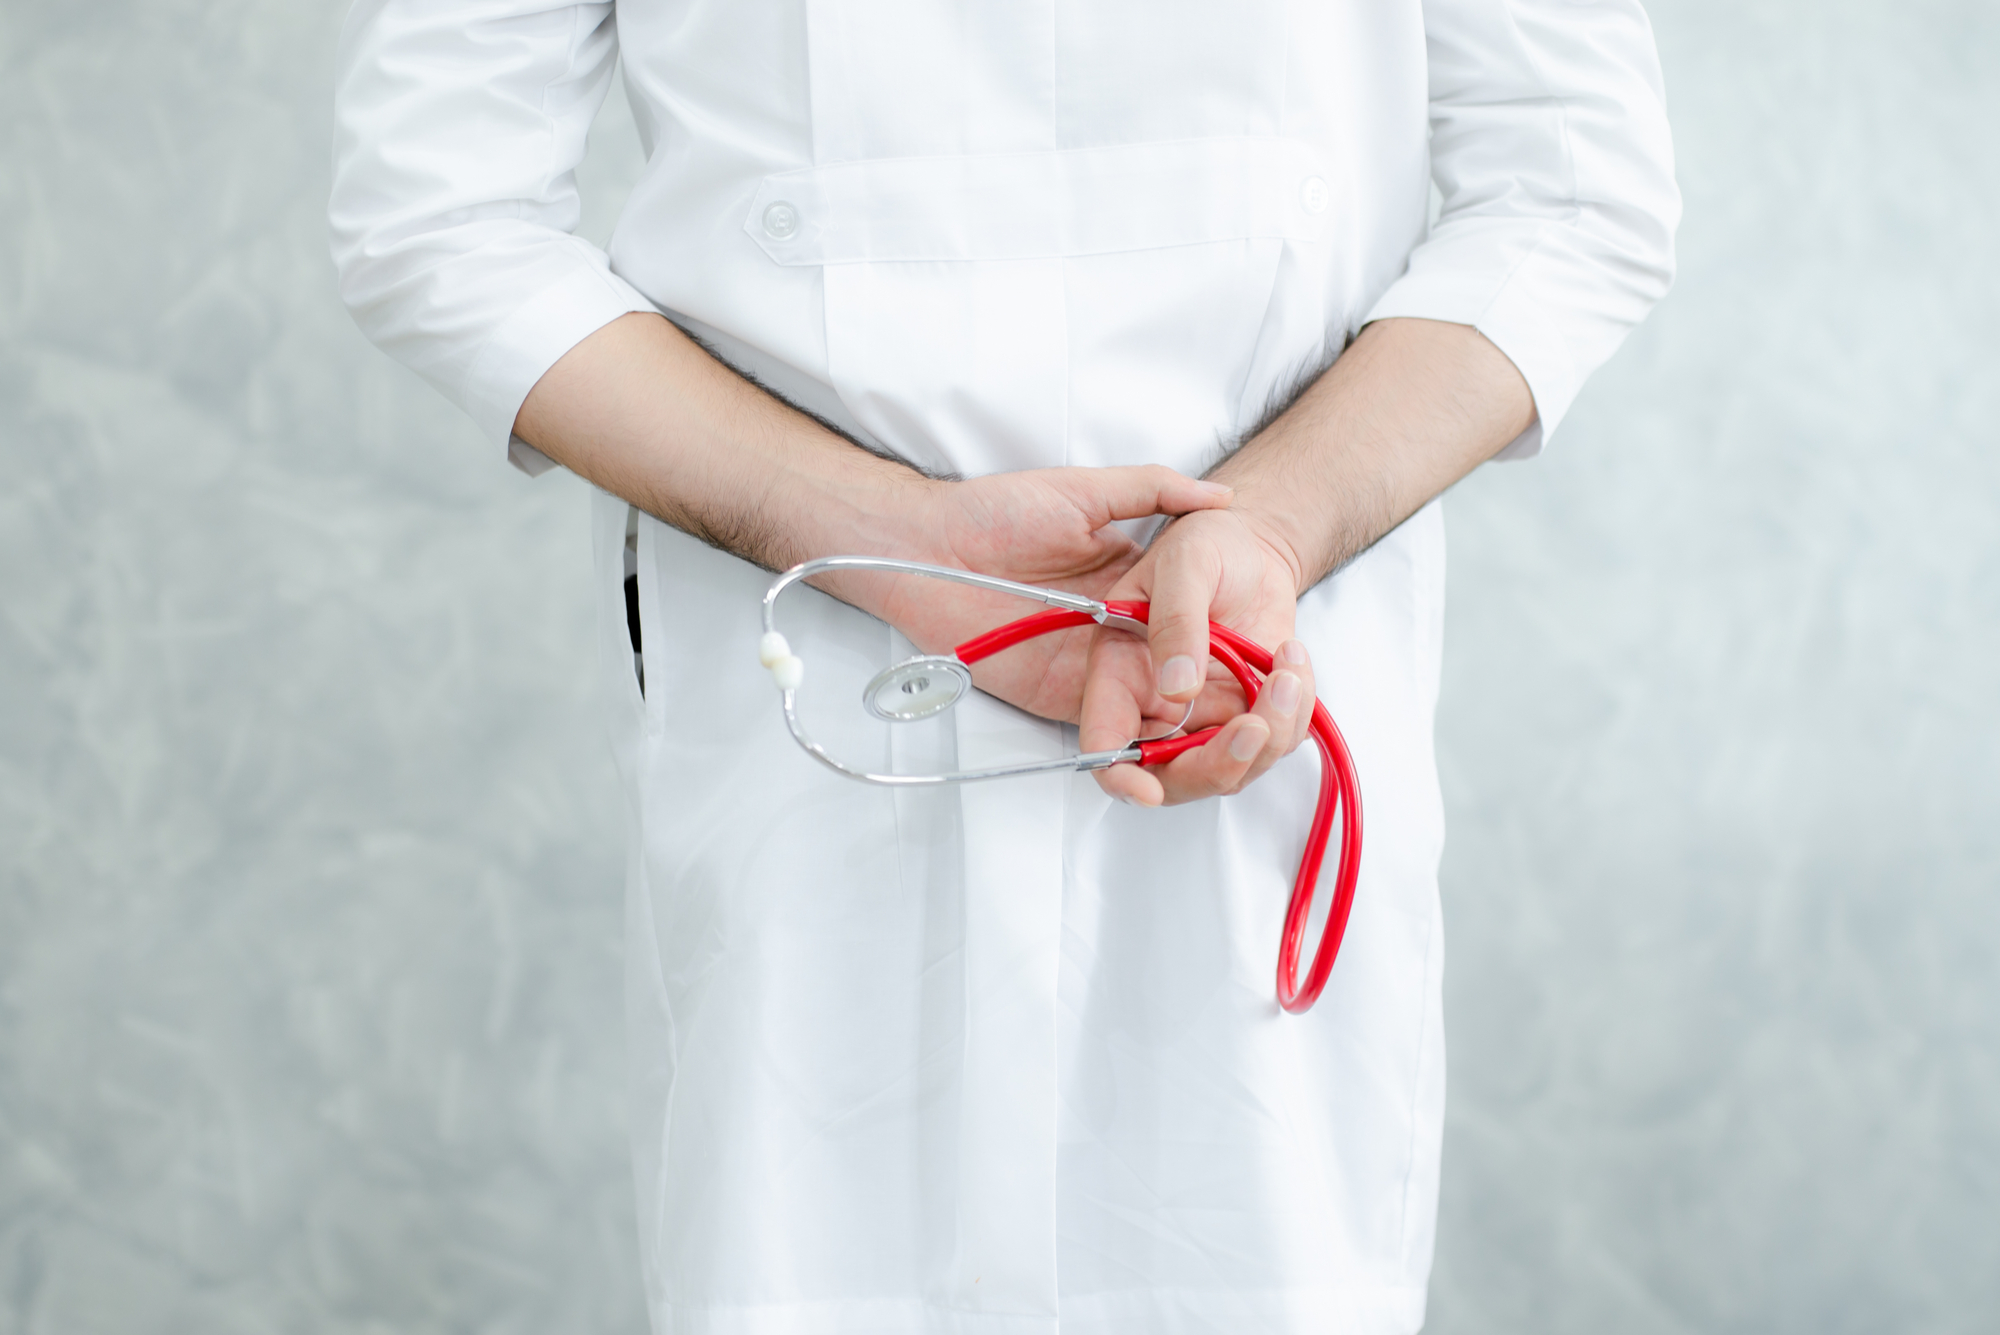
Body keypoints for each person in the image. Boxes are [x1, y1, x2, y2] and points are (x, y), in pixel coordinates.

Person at [330, 0, 1677, 1329]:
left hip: (1241, 714)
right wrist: (888, 546)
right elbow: (436, 212)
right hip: (816, 734)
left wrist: (1272, 524)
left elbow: (1570, 189)